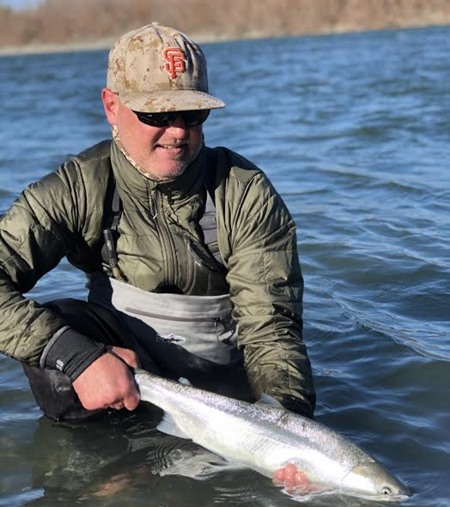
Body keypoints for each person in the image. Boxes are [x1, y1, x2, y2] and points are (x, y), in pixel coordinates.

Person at [0, 23, 316, 426]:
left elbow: (272, 332)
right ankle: (114, 474)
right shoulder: (76, 188)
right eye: (158, 113)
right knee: (59, 343)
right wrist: (75, 355)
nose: (178, 131)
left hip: (227, 396)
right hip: (124, 376)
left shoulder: (246, 193)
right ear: (111, 107)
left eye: (192, 112)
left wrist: (287, 420)